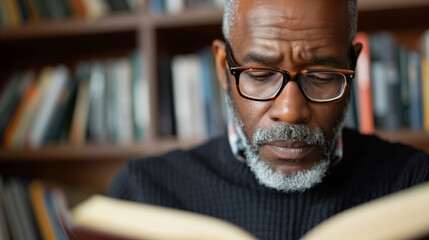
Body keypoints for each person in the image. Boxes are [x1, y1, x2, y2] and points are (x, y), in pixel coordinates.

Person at [108, 0, 429, 239]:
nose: (290, 111)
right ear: (223, 68)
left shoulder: (414, 188)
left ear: (353, 66)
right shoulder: (143, 195)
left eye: (321, 75)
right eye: (260, 75)